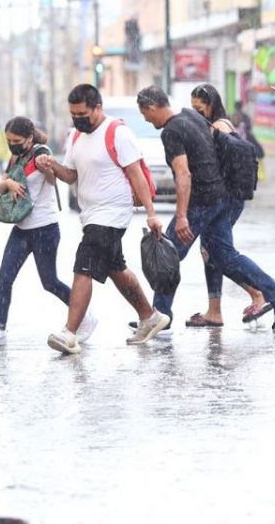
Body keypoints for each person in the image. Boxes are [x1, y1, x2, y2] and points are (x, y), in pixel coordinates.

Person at [136, 86, 275, 335]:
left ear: (152, 107)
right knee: (225, 256)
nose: (146, 120)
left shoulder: (171, 131)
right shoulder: (192, 116)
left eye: (145, 114)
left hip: (200, 202)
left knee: (167, 254)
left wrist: (181, 216)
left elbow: (184, 173)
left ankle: (160, 316)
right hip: (221, 198)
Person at [35, 84, 169, 355]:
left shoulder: (117, 132)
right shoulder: (75, 135)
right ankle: (150, 316)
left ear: (98, 108)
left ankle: (70, 333)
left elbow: (137, 176)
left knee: (83, 265)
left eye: (83, 113)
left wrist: (151, 214)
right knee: (114, 267)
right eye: (73, 114)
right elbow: (71, 175)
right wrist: (52, 165)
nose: (78, 119)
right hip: (90, 214)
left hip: (113, 213)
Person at [0, 117, 86, 347]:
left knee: (49, 282)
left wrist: (48, 168)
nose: (12, 144)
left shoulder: (41, 153)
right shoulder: (16, 156)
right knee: (5, 277)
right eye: (8, 140)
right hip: (21, 228)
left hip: (45, 229)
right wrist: (10, 185)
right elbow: (1, 184)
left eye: (16, 140)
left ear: (29, 137)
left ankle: (84, 314)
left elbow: (51, 180)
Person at [187, 83, 270, 326]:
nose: (195, 112)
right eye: (192, 108)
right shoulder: (213, 126)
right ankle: (215, 310)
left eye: (199, 108)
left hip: (226, 199)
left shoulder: (219, 128)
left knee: (219, 253)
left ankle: (260, 293)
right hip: (223, 198)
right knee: (211, 252)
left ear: (211, 105)